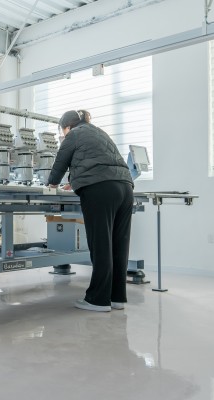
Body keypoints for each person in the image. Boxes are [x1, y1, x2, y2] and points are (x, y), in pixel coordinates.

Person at [48, 110, 134, 312]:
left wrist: (52, 183)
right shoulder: (98, 132)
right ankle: (117, 298)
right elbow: (98, 161)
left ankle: (98, 299)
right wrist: (75, 181)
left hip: (101, 189)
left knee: (101, 244)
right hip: (125, 187)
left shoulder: (73, 134)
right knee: (119, 244)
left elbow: (61, 161)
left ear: (66, 127)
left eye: (62, 131)